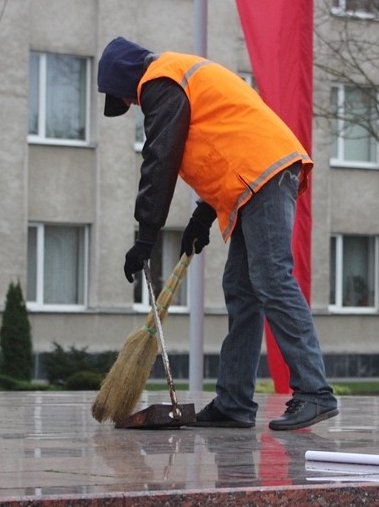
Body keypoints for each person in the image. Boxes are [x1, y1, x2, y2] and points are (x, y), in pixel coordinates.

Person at [96, 37, 338, 430]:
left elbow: (161, 157)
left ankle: (315, 392)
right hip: (253, 176)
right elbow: (222, 145)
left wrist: (146, 237)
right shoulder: (179, 76)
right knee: (242, 290)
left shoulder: (160, 82)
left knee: (272, 278)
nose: (130, 104)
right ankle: (234, 404)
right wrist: (201, 217)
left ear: (126, 79)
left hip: (264, 174)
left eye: (124, 98)